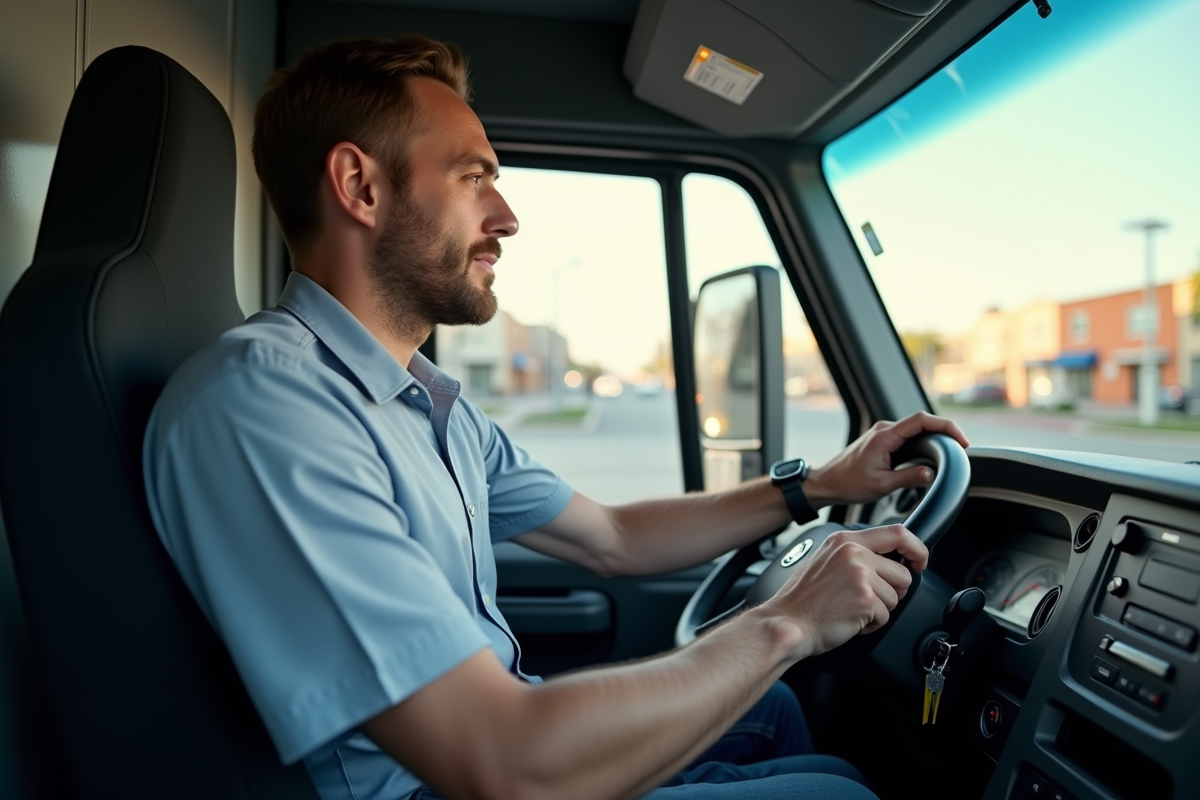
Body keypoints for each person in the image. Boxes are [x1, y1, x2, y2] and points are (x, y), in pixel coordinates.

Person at [143, 35, 969, 800]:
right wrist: (787, 621)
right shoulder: (268, 405)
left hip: (492, 750)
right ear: (360, 186)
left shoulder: (426, 406)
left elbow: (613, 536)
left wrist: (817, 486)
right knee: (838, 793)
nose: (505, 217)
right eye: (472, 178)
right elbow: (498, 760)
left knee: (780, 719)